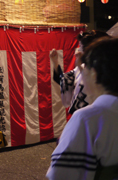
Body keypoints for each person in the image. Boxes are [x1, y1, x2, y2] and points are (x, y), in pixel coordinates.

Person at [46, 37, 118, 180]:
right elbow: (64, 80)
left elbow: (61, 176)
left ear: (94, 73)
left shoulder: (86, 119)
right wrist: (55, 63)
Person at [50, 30, 109, 114]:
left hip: (98, 114)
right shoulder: (81, 67)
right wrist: (55, 62)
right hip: (82, 115)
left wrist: (80, 67)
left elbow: (95, 87)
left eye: (81, 46)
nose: (78, 50)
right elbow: (64, 81)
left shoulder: (104, 69)